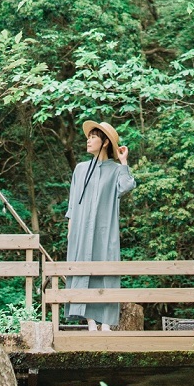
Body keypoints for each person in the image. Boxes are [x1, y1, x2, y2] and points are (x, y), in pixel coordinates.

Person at [65, 119, 135, 331]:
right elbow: (72, 204)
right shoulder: (80, 169)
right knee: (81, 271)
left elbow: (126, 187)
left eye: (93, 137)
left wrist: (124, 162)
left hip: (105, 231)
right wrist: (70, 231)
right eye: (89, 136)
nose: (88, 140)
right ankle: (89, 321)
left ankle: (105, 322)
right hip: (79, 231)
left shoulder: (115, 170)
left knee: (106, 271)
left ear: (105, 142)